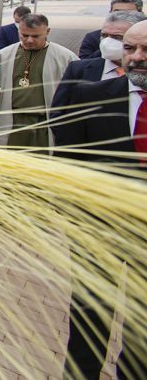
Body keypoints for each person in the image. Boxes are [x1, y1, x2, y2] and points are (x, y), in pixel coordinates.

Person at [48, 19, 146, 379]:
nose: (135, 58)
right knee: (90, 317)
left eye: (145, 50)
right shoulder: (93, 97)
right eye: (130, 48)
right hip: (97, 231)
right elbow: (70, 163)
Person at [0, 13, 75, 149]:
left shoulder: (65, 57)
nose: (29, 40)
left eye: (35, 36)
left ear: (47, 31)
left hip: (44, 122)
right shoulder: (3, 55)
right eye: (24, 35)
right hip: (11, 121)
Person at [51, 10, 146, 115]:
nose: (107, 42)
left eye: (117, 37)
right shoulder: (79, 69)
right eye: (104, 35)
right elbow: (58, 112)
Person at [77, 0, 142, 58]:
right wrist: (106, 48)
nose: (121, 16)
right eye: (117, 12)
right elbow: (84, 63)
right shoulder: (93, 37)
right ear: (110, 13)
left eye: (127, 12)